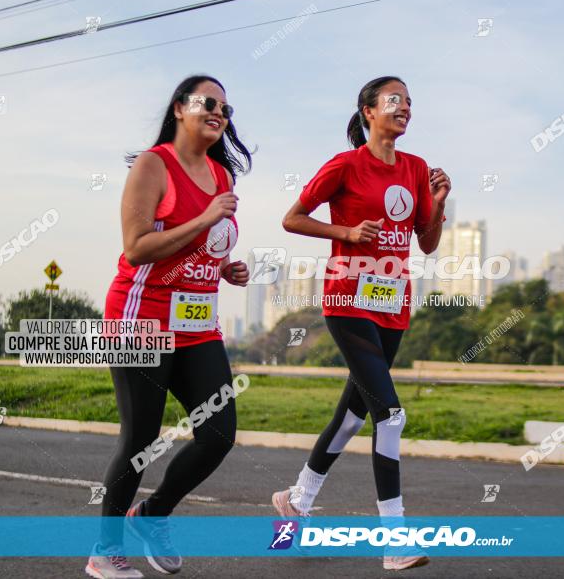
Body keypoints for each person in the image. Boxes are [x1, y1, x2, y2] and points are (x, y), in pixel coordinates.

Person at [274, 76, 451, 571]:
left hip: (393, 304)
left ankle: (297, 501)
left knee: (353, 416)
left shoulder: (416, 168)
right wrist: (345, 231)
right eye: (395, 100)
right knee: (390, 416)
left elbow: (428, 242)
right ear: (368, 111)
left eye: (411, 102)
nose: (406, 108)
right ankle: (393, 540)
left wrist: (436, 203)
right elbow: (293, 218)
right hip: (349, 300)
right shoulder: (345, 165)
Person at [87, 75, 251, 579]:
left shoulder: (222, 175)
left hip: (198, 322)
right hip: (142, 318)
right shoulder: (152, 166)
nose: (218, 112)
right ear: (180, 108)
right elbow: (137, 247)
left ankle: (152, 515)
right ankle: (105, 552)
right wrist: (202, 220)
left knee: (218, 433)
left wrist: (225, 267)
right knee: (140, 440)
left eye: (225, 106)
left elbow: (197, 246)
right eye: (207, 102)